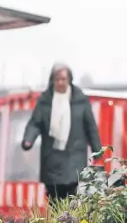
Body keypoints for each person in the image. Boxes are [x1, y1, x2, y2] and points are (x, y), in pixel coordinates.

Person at [22, 63, 102, 202]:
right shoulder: (45, 100)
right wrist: (28, 139)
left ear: (69, 79)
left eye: (63, 79)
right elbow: (35, 123)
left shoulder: (80, 99)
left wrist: (97, 151)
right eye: (57, 79)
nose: (60, 82)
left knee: (73, 197)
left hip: (74, 156)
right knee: (54, 199)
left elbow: (91, 127)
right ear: (52, 80)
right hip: (52, 159)